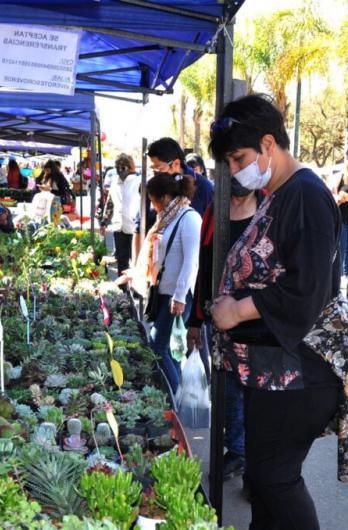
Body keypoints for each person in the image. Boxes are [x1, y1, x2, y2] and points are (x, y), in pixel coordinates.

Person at [208, 94, 348, 530]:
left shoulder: (305, 195)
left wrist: (237, 310)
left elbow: (306, 291)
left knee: (275, 479)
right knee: (264, 481)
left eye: (239, 159)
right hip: (276, 370)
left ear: (268, 144)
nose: (235, 170)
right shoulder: (279, 194)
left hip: (300, 372)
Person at [187, 178, 264, 486]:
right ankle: (237, 451)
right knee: (229, 394)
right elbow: (204, 266)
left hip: (260, 324)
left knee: (258, 399)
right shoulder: (213, 212)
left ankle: (255, 466)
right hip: (221, 324)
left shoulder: (271, 208)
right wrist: (195, 319)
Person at [120, 172, 201, 398]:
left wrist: (180, 297)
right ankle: (176, 399)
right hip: (163, 292)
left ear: (164, 197)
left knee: (157, 347)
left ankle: (174, 399)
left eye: (153, 201)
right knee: (169, 350)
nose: (152, 206)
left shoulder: (189, 218)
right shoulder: (167, 218)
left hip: (178, 296)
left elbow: (191, 261)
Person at [148, 138, 214, 217]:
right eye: (154, 169)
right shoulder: (156, 184)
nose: (158, 173)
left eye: (160, 168)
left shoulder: (204, 186)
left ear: (176, 163)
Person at [100, 154, 141, 276]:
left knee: (136, 260)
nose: (119, 170)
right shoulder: (114, 182)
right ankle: (122, 286)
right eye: (117, 167)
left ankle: (135, 285)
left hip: (134, 227)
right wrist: (104, 221)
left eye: (123, 167)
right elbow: (110, 203)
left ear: (130, 167)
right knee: (121, 260)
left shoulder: (138, 182)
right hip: (119, 227)